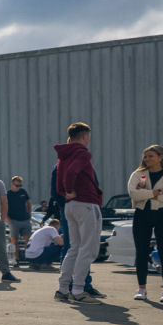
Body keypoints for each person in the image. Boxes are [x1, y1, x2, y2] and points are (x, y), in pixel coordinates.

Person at [55, 122, 103, 304]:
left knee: (74, 248)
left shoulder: (63, 155)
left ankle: (62, 289)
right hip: (86, 203)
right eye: (88, 136)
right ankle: (78, 290)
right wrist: (70, 189)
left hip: (71, 205)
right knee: (87, 248)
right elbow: (71, 174)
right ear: (84, 136)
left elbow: (61, 178)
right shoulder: (82, 152)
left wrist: (66, 193)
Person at [128, 145, 163, 302]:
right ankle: (141, 288)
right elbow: (134, 193)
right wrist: (159, 192)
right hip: (142, 214)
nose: (147, 159)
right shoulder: (139, 174)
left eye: (151, 156)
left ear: (161, 156)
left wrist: (147, 194)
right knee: (141, 251)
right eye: (145, 156)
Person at [7, 176, 33, 256]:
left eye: (20, 185)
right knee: (14, 239)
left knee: (28, 238)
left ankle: (28, 257)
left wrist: (29, 215)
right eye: (17, 185)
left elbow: (28, 203)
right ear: (12, 184)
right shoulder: (8, 194)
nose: (19, 187)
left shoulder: (23, 192)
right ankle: (16, 258)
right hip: (13, 220)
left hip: (25, 219)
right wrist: (8, 219)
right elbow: (3, 206)